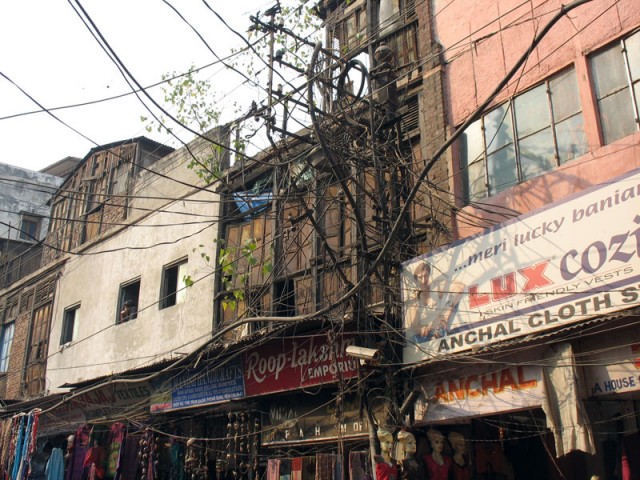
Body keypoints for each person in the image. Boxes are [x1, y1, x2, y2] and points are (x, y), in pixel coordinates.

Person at [406, 261, 465, 341]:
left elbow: (460, 287)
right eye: (420, 277)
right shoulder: (414, 299)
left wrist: (446, 311)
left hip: (439, 331)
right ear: (416, 279)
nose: (423, 281)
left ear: (429, 275)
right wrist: (423, 329)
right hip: (424, 338)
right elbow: (414, 326)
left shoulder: (435, 287)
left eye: (426, 276)